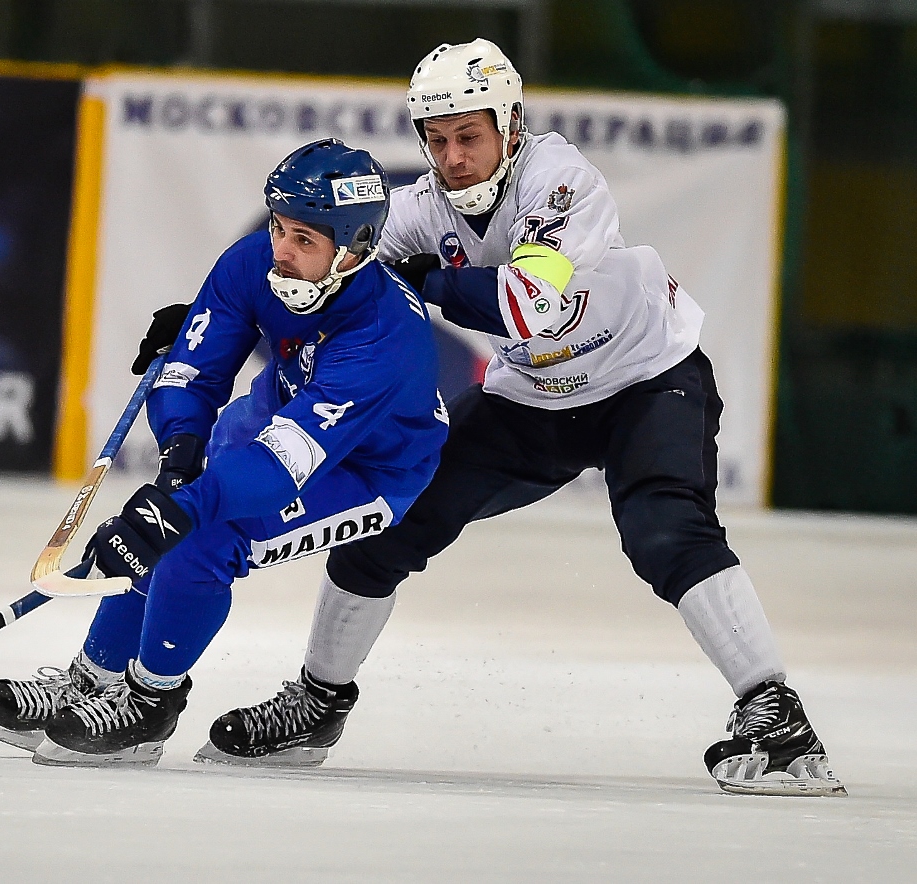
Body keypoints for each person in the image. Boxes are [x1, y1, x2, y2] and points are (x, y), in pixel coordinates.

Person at [146, 39, 843, 796]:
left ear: (510, 125)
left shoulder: (560, 180)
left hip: (646, 376)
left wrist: (426, 278)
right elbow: (328, 271)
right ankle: (318, 702)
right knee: (391, 524)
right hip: (531, 397)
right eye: (436, 139)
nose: (451, 157)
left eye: (468, 136)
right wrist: (222, 314)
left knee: (665, 531)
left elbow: (529, 307)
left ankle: (774, 712)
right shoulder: (419, 209)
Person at [0, 138, 449, 766]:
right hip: (274, 415)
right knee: (164, 518)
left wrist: (182, 509)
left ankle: (148, 706)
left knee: (197, 537)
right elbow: (193, 370)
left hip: (372, 470)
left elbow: (280, 469)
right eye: (279, 228)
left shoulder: (384, 340)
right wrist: (180, 456)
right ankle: (96, 681)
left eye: (305, 240)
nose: (281, 252)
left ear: (353, 248)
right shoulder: (254, 263)